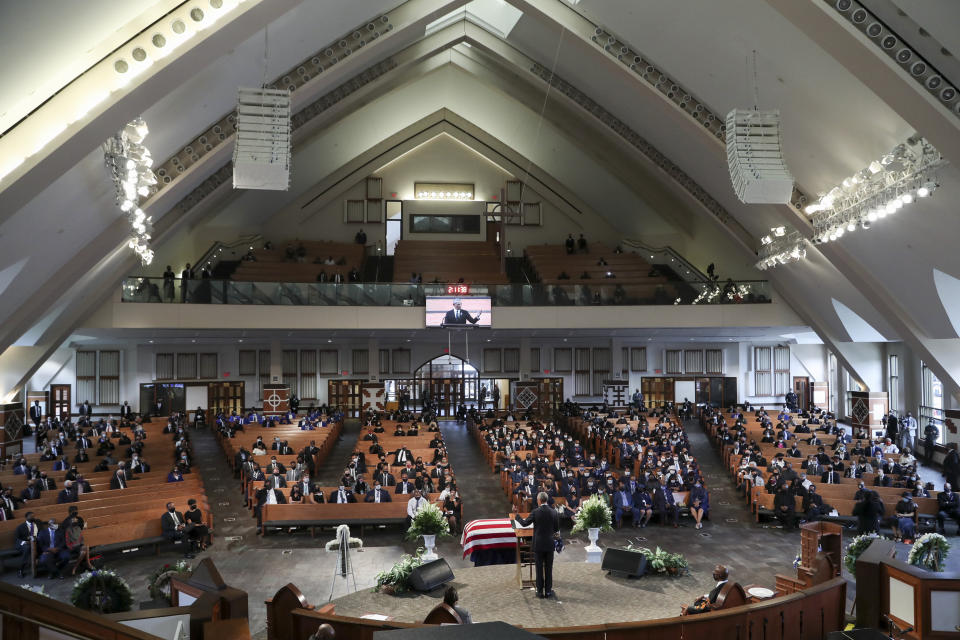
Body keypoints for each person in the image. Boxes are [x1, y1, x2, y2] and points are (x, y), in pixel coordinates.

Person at [512, 491, 560, 599]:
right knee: (548, 568)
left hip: (538, 544)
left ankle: (539, 592)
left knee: (539, 568)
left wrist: (517, 515)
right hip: (549, 544)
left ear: (539, 500)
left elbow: (524, 523)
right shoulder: (554, 512)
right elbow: (556, 529)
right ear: (546, 500)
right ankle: (548, 591)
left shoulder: (536, 511)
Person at [63, 506, 95, 575]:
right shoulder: (68, 529)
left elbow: (81, 537)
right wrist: (78, 543)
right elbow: (68, 542)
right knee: (86, 547)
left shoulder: (78, 527)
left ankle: (75, 568)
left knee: (83, 551)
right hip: (72, 545)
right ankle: (88, 564)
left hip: (79, 545)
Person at [14, 511, 38, 578]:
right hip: (24, 544)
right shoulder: (20, 527)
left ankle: (40, 566)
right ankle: (21, 569)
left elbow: (39, 534)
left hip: (35, 542)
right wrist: (25, 542)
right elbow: (16, 538)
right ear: (26, 517)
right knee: (27, 548)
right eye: (31, 516)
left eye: (33, 516)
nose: (33, 517)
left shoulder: (36, 524)